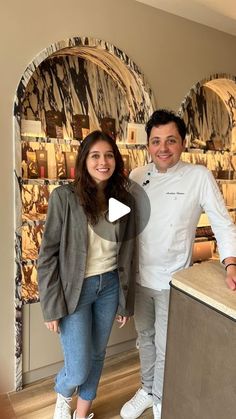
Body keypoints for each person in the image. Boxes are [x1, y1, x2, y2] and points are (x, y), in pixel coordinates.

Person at [120, 109, 236, 419]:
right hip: (140, 279)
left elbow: (223, 225)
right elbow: (115, 219)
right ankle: (146, 388)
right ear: (148, 145)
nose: (163, 148)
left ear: (182, 143)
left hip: (174, 281)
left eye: (170, 140)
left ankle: (161, 398)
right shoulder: (135, 176)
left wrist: (230, 263)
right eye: (156, 141)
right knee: (144, 338)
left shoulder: (199, 176)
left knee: (165, 345)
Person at [37, 130, 136, 419]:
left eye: (108, 155)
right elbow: (48, 256)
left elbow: (126, 253)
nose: (103, 161)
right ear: (84, 160)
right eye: (95, 155)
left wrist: (123, 300)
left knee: (97, 355)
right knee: (79, 365)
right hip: (75, 289)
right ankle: (63, 393)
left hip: (109, 286)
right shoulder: (64, 198)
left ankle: (82, 413)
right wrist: (51, 307)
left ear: (115, 159)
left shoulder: (122, 200)